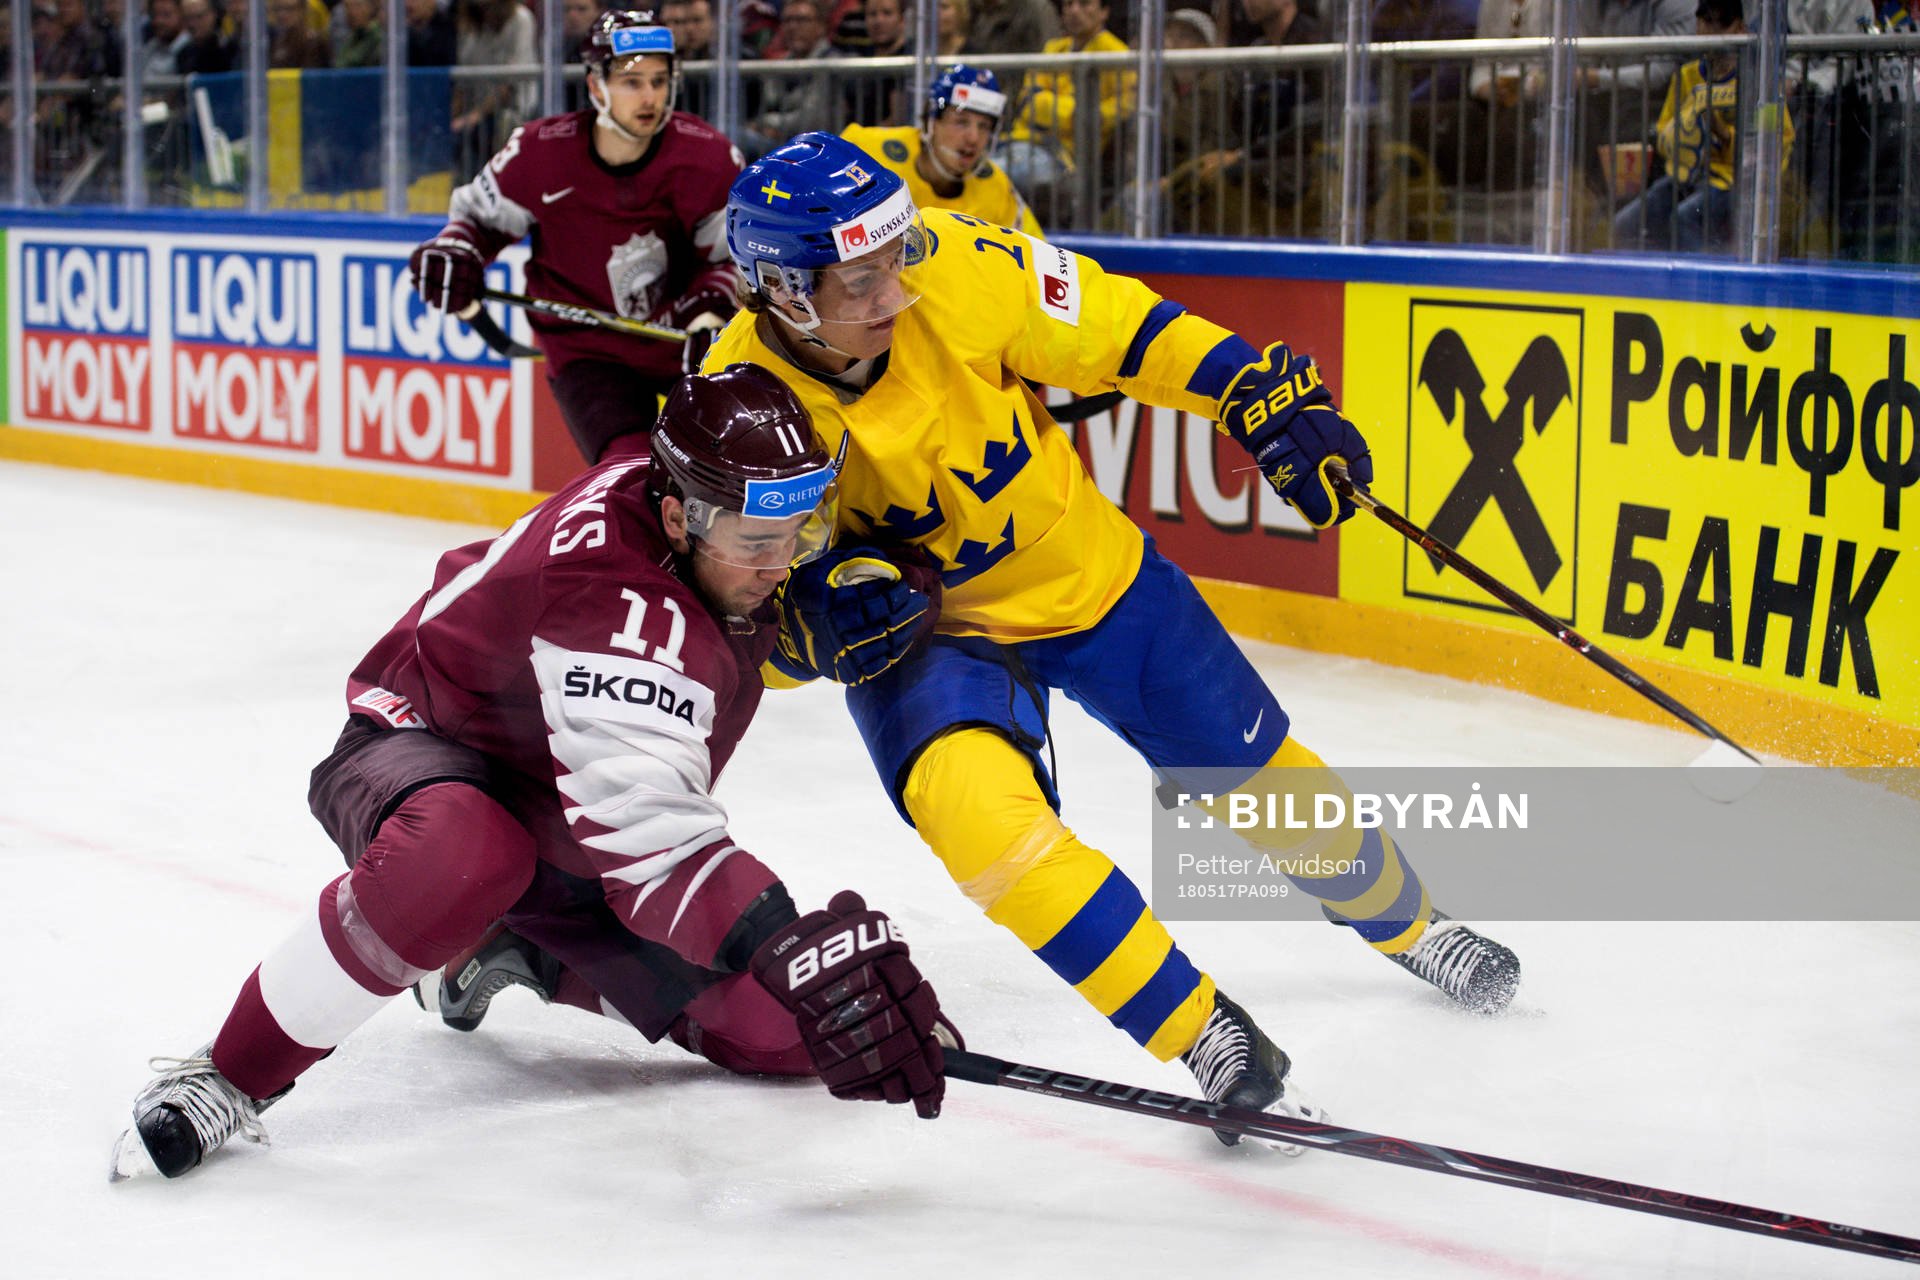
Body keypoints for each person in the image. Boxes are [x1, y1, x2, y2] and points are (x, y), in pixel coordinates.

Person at [705, 134, 1523, 1139]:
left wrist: (1249, 390)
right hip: (932, 640)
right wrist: (811, 630)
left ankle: (1409, 922)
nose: (893, 295)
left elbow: (1122, 331)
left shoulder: (962, 266)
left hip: (1087, 574)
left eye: (897, 260)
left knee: (1256, 772)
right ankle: (1208, 1033)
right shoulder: (737, 409)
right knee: (983, 828)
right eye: (859, 280)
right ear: (781, 290)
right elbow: (741, 615)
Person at [109, 366, 957, 1181]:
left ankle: (512, 947)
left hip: (573, 818)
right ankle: (225, 1075)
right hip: (429, 751)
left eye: (799, 534)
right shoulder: (616, 604)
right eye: (760, 544)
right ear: (675, 519)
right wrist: (785, 939)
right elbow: (655, 847)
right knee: (464, 856)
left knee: (791, 1031)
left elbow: (632, 800)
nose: (783, 564)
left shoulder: (698, 497)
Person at [410, 10, 743, 464]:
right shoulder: (540, 152)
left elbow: (731, 260)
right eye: (632, 82)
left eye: (659, 81)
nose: (650, 98)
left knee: (737, 465)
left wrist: (711, 313)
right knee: (630, 472)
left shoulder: (708, 158)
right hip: (589, 354)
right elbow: (478, 222)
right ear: (595, 87)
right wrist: (457, 252)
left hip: (686, 345)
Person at [1613, 0, 1795, 252]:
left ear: (1740, 28)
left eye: (1720, 24)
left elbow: (1772, 142)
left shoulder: (1759, 84)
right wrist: (1686, 131)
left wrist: (1724, 135)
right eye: (1704, 22)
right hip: (1687, 176)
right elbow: (1666, 135)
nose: (1710, 32)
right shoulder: (1686, 76)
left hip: (1732, 180)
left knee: (1685, 219)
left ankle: (1703, 285)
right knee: (1626, 223)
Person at [842, 63, 1039, 235]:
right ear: (932, 122)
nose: (974, 138)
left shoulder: (997, 189)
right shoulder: (867, 150)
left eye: (984, 126)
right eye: (961, 122)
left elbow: (1036, 255)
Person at [1000, 0, 1131, 199]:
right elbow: (1027, 103)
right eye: (1068, 4)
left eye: (1084, 4)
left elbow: (1119, 109)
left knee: (995, 176)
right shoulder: (1053, 48)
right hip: (1019, 142)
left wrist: (1050, 107)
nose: (1074, 11)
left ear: (1104, 12)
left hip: (1063, 157)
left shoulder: (1118, 55)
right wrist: (1073, 114)